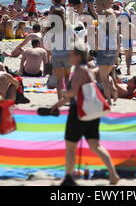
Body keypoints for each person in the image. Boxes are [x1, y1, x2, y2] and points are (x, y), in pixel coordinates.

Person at [50, 43, 120, 186]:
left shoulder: (79, 70)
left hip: (78, 113)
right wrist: (57, 105)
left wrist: (63, 92)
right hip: (92, 111)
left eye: (70, 54)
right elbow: (80, 93)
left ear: (78, 55)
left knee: (70, 147)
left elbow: (72, 93)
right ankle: (113, 174)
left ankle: (68, 178)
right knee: (95, 145)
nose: (68, 57)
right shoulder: (88, 70)